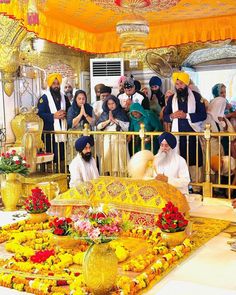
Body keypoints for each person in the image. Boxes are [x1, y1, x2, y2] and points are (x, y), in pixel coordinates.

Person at [163, 72, 207, 191]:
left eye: (181, 83)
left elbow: (203, 115)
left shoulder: (197, 97)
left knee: (194, 161)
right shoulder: (172, 98)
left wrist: (186, 115)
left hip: (192, 135)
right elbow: (165, 116)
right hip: (177, 137)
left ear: (186, 84)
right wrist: (172, 115)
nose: (179, 86)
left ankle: (196, 188)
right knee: (178, 161)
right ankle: (179, 187)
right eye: (176, 84)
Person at [37, 72, 71, 164]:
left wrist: (66, 114)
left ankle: (62, 174)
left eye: (57, 84)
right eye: (54, 84)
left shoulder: (64, 97)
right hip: (50, 133)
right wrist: (53, 116)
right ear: (50, 84)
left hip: (63, 131)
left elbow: (70, 110)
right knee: (51, 156)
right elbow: (40, 114)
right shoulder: (44, 98)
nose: (56, 86)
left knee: (62, 155)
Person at [96, 95, 130, 175]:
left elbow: (126, 128)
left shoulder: (121, 113)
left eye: (113, 103)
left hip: (119, 140)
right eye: (109, 104)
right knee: (108, 159)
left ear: (116, 103)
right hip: (107, 140)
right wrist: (108, 121)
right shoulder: (104, 114)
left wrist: (116, 121)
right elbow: (98, 126)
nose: (111, 106)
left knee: (120, 161)